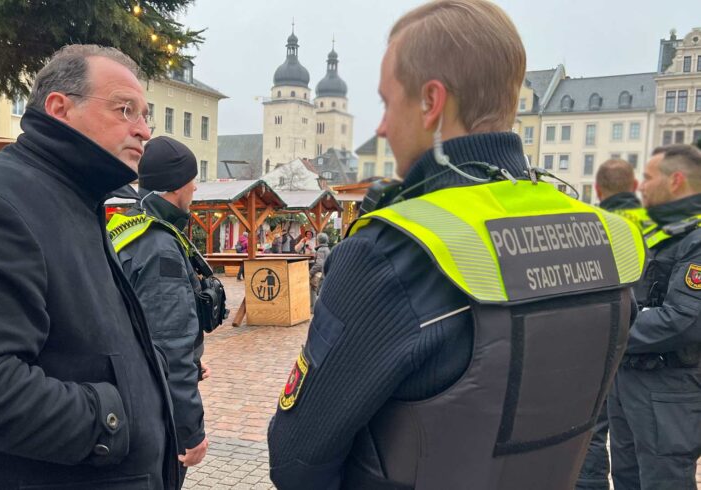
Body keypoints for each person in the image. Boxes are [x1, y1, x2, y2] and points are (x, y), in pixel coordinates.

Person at [267, 2, 645, 489]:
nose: (381, 127)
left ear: (431, 102)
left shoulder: (391, 253)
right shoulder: (606, 242)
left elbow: (297, 460)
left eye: (388, 103)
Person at [0, 45, 181, 489]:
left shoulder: (78, 198)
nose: (143, 131)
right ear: (60, 107)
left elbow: (82, 342)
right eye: (125, 110)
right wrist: (112, 421)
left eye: (146, 116)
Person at [106, 136, 210, 484]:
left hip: (122, 387)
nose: (195, 187)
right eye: (193, 179)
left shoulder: (125, 225)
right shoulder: (160, 247)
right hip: (152, 407)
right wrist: (190, 431)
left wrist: (194, 359)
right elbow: (170, 344)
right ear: (179, 185)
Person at [608, 144, 701, 490]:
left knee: (665, 482)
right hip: (630, 379)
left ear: (675, 180)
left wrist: (609, 330)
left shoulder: (696, 238)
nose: (640, 186)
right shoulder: (658, 232)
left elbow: (685, 319)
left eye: (647, 178)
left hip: (668, 388)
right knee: (627, 479)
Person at [576, 158, 656, 490]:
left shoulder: (585, 225)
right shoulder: (659, 224)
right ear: (635, 187)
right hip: (648, 351)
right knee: (639, 448)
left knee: (591, 431)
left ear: (596, 189)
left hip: (598, 344)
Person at [309, 232, 330, 308]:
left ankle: (314, 308)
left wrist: (310, 273)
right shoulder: (327, 249)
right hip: (325, 273)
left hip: (320, 273)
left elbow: (319, 264)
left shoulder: (321, 250)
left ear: (318, 240)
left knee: (313, 289)